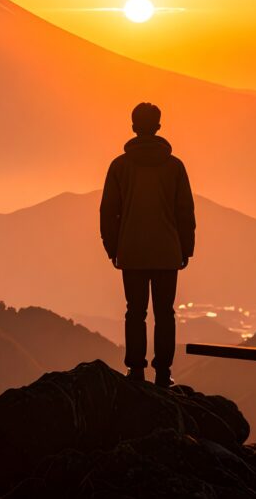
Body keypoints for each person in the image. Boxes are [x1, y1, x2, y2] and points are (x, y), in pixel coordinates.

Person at [100, 102, 195, 388]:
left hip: (132, 251)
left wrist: (112, 247)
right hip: (167, 251)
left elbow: (108, 211)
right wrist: (185, 248)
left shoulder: (119, 166)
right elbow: (184, 212)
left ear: (133, 126)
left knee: (135, 311)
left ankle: (136, 371)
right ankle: (163, 373)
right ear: (158, 126)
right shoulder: (175, 166)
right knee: (165, 313)